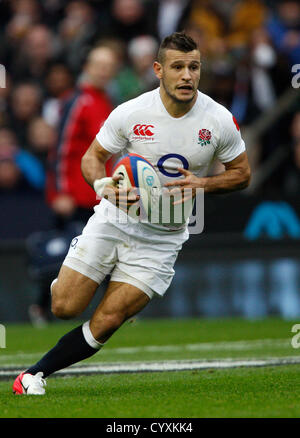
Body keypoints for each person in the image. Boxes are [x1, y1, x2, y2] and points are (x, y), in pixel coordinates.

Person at [12, 32, 251, 395]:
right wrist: (103, 185)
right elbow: (91, 157)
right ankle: (68, 273)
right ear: (158, 70)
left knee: (108, 320)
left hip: (162, 238)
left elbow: (242, 174)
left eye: (194, 67)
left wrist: (203, 185)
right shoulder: (130, 112)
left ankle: (33, 375)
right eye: (178, 67)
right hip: (115, 220)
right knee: (63, 306)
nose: (187, 75)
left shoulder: (218, 120)